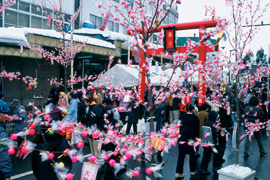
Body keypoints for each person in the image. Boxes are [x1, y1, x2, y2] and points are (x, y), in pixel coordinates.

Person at [175, 104, 199, 179]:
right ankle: (193, 171)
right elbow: (197, 129)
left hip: (182, 138)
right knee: (192, 155)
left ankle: (179, 172)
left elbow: (178, 127)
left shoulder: (182, 117)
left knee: (181, 155)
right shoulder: (195, 118)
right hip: (191, 138)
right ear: (192, 109)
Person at [0, 109, 12, 180]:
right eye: (3, 114)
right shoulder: (1, 131)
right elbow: (3, 153)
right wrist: (7, 174)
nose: (5, 116)